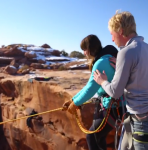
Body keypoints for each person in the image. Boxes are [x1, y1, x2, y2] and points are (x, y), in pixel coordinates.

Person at [93, 11, 148, 150]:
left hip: (139, 120)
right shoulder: (145, 48)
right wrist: (123, 64)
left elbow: (115, 92)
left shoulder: (126, 52)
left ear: (121, 31)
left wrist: (102, 81)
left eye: (112, 34)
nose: (112, 39)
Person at [62, 34, 126, 150]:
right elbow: (90, 86)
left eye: (85, 49)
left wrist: (75, 103)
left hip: (113, 107)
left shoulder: (101, 62)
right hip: (116, 105)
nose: (84, 53)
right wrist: (73, 99)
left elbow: (90, 89)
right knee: (98, 137)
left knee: (92, 136)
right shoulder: (107, 57)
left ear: (90, 48)